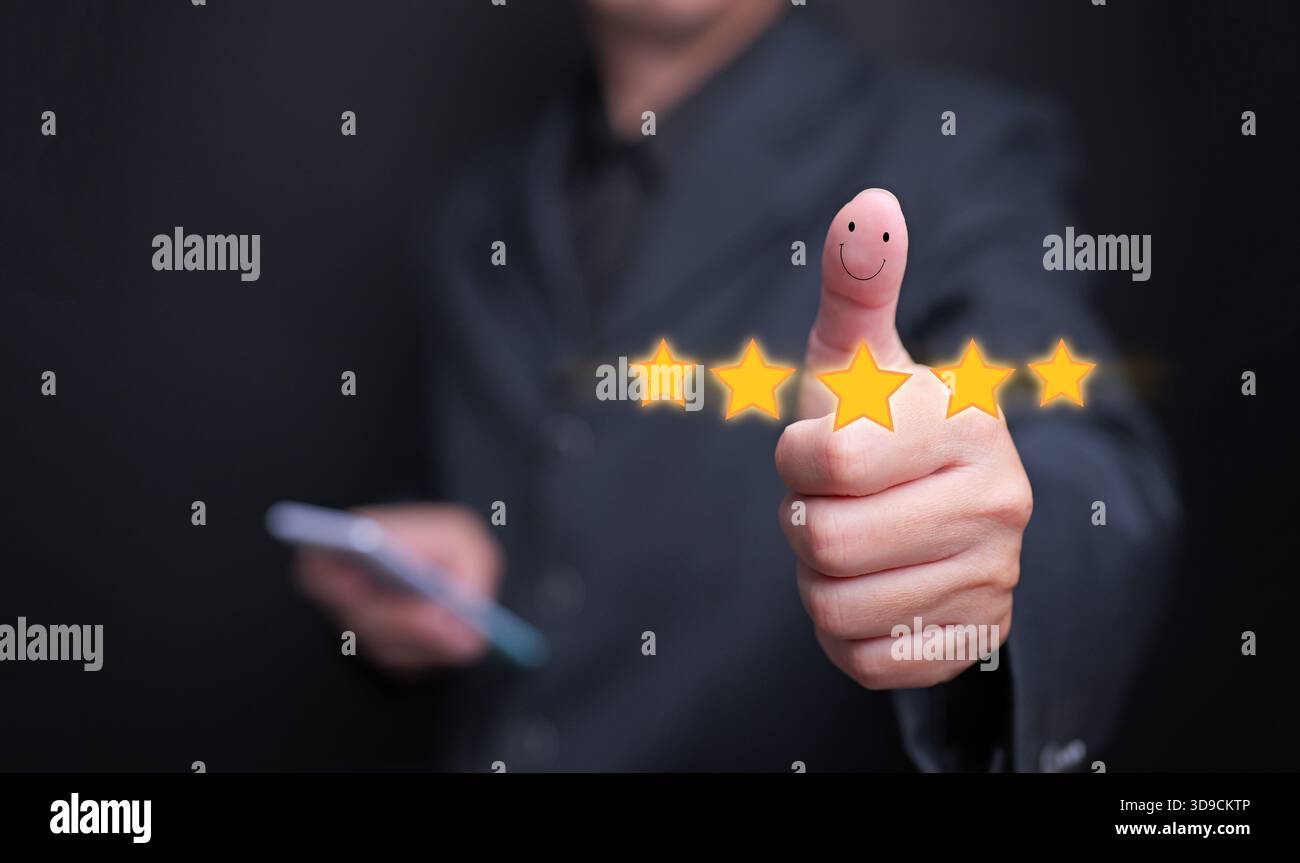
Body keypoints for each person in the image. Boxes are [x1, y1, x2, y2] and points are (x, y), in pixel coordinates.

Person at [295, 0, 1177, 771]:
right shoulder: (473, 207)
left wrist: (993, 565)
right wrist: (412, 595)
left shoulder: (957, 152)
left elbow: (1091, 468)